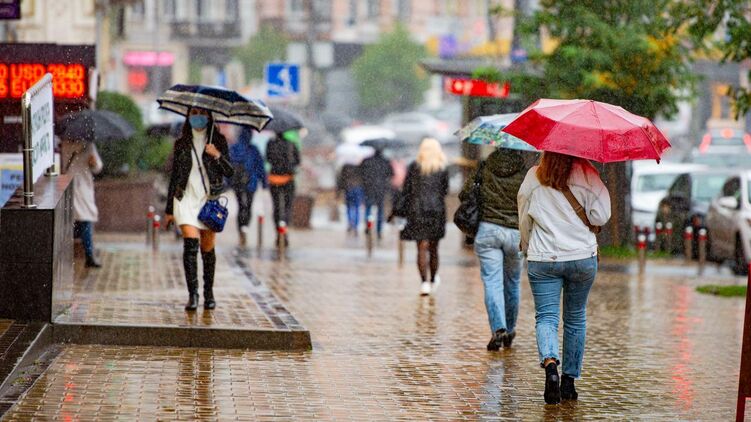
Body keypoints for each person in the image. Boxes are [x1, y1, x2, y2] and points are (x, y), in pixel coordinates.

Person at [517, 151, 611, 404]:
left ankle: (551, 367)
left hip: (544, 258)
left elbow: (524, 217)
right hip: (581, 257)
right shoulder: (588, 175)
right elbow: (602, 216)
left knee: (546, 317)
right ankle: (569, 382)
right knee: (575, 317)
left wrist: (526, 245)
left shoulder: (534, 176)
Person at [165, 107, 234, 311]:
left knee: (207, 247)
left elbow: (230, 172)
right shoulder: (181, 143)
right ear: (188, 116)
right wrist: (169, 209)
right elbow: (174, 176)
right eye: (193, 113)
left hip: (208, 200)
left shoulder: (218, 141)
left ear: (209, 116)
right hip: (184, 198)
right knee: (190, 243)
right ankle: (193, 295)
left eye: (202, 113)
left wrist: (217, 155)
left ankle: (208, 293)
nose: (198, 117)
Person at [460, 149, 527, 351]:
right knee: (513, 282)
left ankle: (498, 328)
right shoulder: (524, 171)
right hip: (515, 232)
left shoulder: (484, 167)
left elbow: (465, 193)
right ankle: (510, 329)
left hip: (488, 229)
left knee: (492, 281)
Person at [394, 138, 449, 296]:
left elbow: (407, 189)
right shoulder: (442, 168)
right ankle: (433, 279)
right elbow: (445, 190)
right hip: (436, 211)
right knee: (434, 248)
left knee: (421, 247)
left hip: (417, 211)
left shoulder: (414, 167)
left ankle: (424, 283)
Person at [61, 137, 104, 268]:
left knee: (74, 220)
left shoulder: (64, 144)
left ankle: (83, 253)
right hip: (80, 186)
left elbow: (97, 166)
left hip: (69, 184)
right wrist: (94, 163)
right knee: (85, 220)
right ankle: (89, 255)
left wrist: (93, 163)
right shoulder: (88, 145)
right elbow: (98, 167)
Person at [229, 126, 267, 247]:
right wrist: (264, 183)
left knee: (240, 206)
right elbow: (260, 167)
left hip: (237, 183)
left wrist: (227, 182)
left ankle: (241, 230)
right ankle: (245, 226)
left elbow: (228, 165)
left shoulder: (234, 148)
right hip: (251, 182)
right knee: (249, 206)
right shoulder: (254, 149)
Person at [266, 130, 301, 246]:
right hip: (288, 179)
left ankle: (278, 233)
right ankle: (284, 231)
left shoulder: (270, 143)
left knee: (277, 207)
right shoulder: (291, 144)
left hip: (274, 179)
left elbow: (268, 159)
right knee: (287, 207)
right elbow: (298, 161)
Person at [359, 147, 393, 239]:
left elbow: (361, 173)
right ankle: (379, 231)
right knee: (380, 210)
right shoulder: (385, 161)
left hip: (368, 189)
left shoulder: (366, 161)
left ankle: (368, 226)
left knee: (368, 208)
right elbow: (391, 174)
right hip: (381, 190)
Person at [336, 163, 364, 235]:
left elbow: (341, 180)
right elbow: (364, 179)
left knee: (350, 207)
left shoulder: (345, 167)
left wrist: (338, 192)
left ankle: (350, 222)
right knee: (357, 207)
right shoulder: (360, 167)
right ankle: (355, 225)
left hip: (349, 188)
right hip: (358, 188)